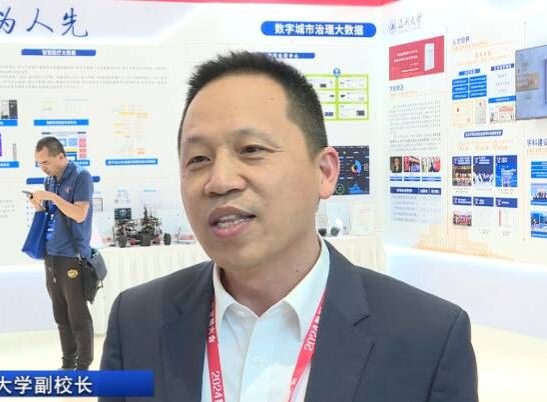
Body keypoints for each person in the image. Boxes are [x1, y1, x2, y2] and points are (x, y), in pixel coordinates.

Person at [100, 51, 478, 402]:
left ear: (324, 172)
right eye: (198, 159)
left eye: (251, 150)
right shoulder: (136, 322)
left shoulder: (428, 339)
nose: (220, 181)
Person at [30, 137, 95, 370]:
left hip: (72, 255)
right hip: (51, 255)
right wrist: (38, 205)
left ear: (60, 156)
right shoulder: (50, 180)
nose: (42, 167)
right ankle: (68, 364)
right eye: (39, 163)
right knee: (61, 315)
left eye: (45, 162)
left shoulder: (81, 176)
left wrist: (53, 198)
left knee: (78, 316)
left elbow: (79, 214)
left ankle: (83, 368)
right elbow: (52, 214)